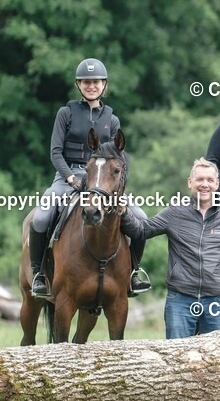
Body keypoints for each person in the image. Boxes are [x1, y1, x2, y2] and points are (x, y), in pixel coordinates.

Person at [29, 58, 150, 299]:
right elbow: (55, 152)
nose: (91, 86)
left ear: (104, 85)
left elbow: (120, 158)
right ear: (79, 85)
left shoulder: (112, 119)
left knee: (141, 218)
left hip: (103, 181)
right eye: (86, 82)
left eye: (95, 82)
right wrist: (71, 177)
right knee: (42, 217)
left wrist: (117, 186)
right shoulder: (66, 113)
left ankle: (134, 272)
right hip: (68, 177)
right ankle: (39, 274)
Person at [120, 158, 220, 338]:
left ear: (217, 184)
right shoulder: (175, 212)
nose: (204, 185)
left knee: (216, 361)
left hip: (217, 302)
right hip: (180, 300)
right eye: (200, 179)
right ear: (190, 182)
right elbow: (142, 230)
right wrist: (124, 212)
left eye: (210, 180)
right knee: (176, 360)